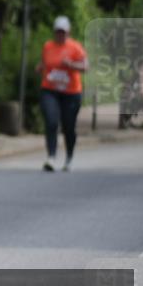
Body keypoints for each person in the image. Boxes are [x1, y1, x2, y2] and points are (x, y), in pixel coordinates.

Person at [35, 15, 88, 171]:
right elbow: (44, 63)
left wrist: (70, 64)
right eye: (58, 32)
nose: (60, 35)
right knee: (51, 121)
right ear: (54, 32)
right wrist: (40, 68)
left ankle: (69, 157)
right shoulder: (48, 46)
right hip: (50, 90)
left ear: (68, 32)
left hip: (71, 93)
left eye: (63, 32)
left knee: (68, 126)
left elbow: (85, 67)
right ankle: (51, 157)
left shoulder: (75, 47)